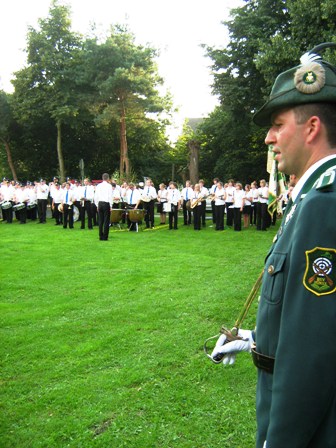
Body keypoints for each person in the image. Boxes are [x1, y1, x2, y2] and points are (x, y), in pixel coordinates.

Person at [210, 43, 336, 448]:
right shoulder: (313, 197)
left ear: (311, 128)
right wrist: (253, 337)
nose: (268, 138)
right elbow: (310, 316)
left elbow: (314, 353)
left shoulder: (323, 205)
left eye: (278, 124)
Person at [94, 173, 113, 240]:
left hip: (100, 203)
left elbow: (96, 196)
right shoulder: (109, 186)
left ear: (102, 178)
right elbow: (110, 196)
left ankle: (100, 235)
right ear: (108, 178)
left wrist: (97, 205)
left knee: (101, 220)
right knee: (106, 220)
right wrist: (111, 205)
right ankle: (105, 236)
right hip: (106, 203)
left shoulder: (98, 186)